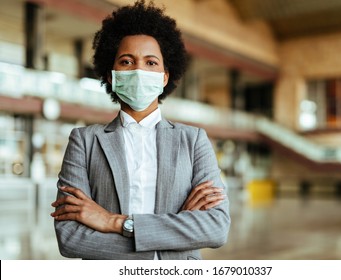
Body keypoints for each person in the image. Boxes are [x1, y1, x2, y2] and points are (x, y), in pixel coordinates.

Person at [50, 0, 230, 260]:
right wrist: (172, 233)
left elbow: (216, 228)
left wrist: (114, 222)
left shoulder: (193, 141)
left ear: (165, 77)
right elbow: (70, 238)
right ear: (111, 75)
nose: (138, 70)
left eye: (151, 63)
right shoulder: (85, 141)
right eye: (126, 61)